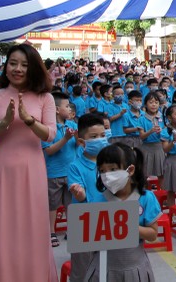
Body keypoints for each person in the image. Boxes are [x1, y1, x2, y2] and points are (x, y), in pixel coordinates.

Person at [0, 44, 59, 281]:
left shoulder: (46, 98)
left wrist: (28, 120)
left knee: (32, 230)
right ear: (5, 65)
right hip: (0, 171)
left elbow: (50, 135)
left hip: (32, 171)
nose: (18, 69)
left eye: (24, 64)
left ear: (33, 68)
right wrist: (4, 123)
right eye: (13, 63)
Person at [86, 144, 160, 281]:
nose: (107, 176)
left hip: (134, 268)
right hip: (103, 268)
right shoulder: (98, 199)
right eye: (102, 171)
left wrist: (128, 227)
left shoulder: (146, 198)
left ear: (130, 170)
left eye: (113, 169)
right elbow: (88, 237)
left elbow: (153, 234)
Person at [68, 113, 108, 281]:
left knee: (107, 265)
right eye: (94, 137)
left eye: (103, 135)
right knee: (83, 268)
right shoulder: (75, 166)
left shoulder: (112, 162)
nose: (100, 139)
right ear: (82, 142)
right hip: (84, 223)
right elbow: (80, 194)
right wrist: (80, 194)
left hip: (107, 219)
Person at [42, 92, 78, 247]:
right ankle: (51, 231)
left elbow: (79, 144)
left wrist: (77, 138)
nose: (70, 108)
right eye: (66, 106)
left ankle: (72, 230)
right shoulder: (48, 129)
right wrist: (65, 139)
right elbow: (49, 150)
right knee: (52, 205)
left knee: (71, 203)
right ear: (56, 109)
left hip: (71, 172)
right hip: (54, 173)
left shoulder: (72, 125)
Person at [139, 93, 165, 181]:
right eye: (151, 102)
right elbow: (141, 136)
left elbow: (167, 132)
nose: (154, 105)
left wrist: (163, 131)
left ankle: (163, 193)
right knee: (145, 173)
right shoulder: (141, 118)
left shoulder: (163, 117)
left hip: (159, 147)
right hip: (146, 148)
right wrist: (150, 131)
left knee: (161, 174)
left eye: (156, 102)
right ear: (146, 104)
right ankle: (144, 193)